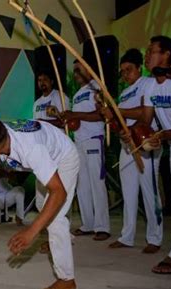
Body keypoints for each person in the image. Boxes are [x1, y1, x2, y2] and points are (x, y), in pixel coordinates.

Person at [0, 118, 80, 289]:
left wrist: (31, 232)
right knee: (43, 205)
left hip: (63, 158)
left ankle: (67, 279)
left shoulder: (31, 149)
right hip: (45, 154)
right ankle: (57, 238)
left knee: (55, 218)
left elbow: (59, 193)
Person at [102, 49, 163, 253]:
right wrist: (115, 121)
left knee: (149, 191)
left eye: (129, 70)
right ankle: (127, 236)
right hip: (127, 146)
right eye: (122, 71)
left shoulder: (148, 84)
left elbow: (145, 115)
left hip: (146, 143)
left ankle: (154, 238)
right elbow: (122, 120)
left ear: (140, 68)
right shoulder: (124, 93)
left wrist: (118, 111)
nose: (125, 74)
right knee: (129, 192)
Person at [138, 36, 171, 274]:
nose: (147, 55)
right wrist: (132, 133)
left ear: (166, 54)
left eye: (152, 51)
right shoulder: (149, 85)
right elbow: (146, 121)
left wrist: (162, 135)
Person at [62, 60, 110, 241]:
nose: (75, 74)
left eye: (78, 70)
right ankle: (88, 223)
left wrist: (75, 115)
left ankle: (102, 226)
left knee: (97, 183)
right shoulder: (77, 95)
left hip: (93, 140)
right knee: (82, 185)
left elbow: (100, 115)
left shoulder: (97, 89)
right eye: (73, 71)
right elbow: (78, 119)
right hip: (79, 142)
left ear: (89, 69)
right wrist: (69, 118)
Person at [0, 158, 25, 226]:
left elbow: (14, 179)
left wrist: (5, 173)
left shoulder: (5, 164)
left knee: (20, 190)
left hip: (8, 196)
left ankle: (19, 217)